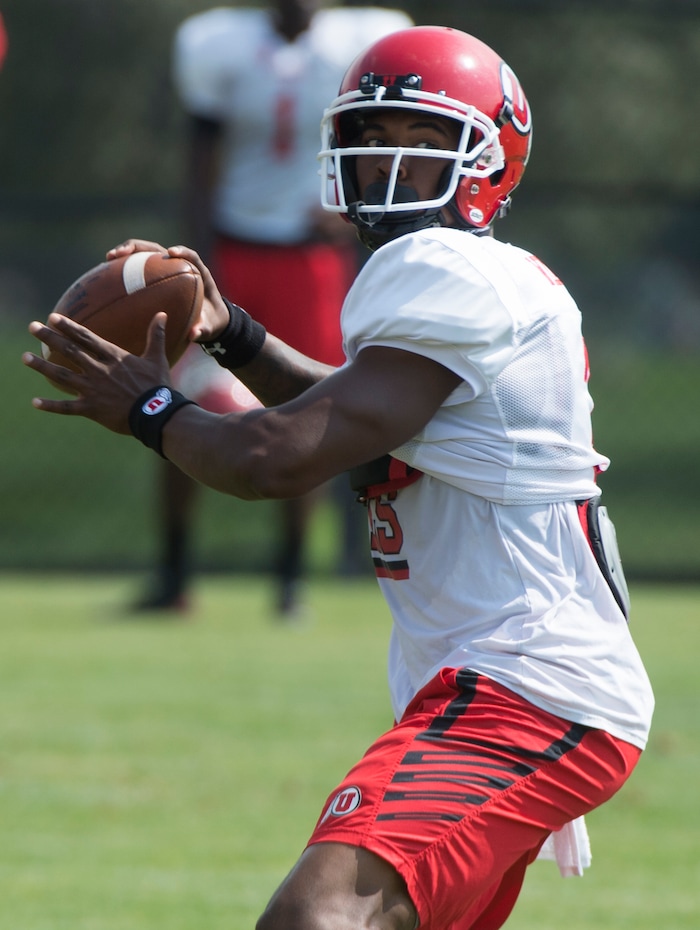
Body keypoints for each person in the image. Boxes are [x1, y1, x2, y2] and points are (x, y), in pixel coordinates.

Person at [25, 26, 654, 930]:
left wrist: (150, 411)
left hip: (526, 684)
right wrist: (231, 330)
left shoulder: (448, 269)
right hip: (509, 682)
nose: (386, 160)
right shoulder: (470, 286)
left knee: (316, 918)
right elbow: (356, 427)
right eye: (372, 136)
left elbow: (274, 455)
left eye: (425, 141)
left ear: (490, 160)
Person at [137, 0, 413, 615]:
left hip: (312, 257)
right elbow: (200, 158)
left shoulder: (368, 38)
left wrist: (351, 215)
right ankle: (174, 573)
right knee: (179, 397)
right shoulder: (217, 42)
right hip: (233, 253)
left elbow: (389, 144)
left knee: (310, 411)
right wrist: (190, 260)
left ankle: (290, 581)